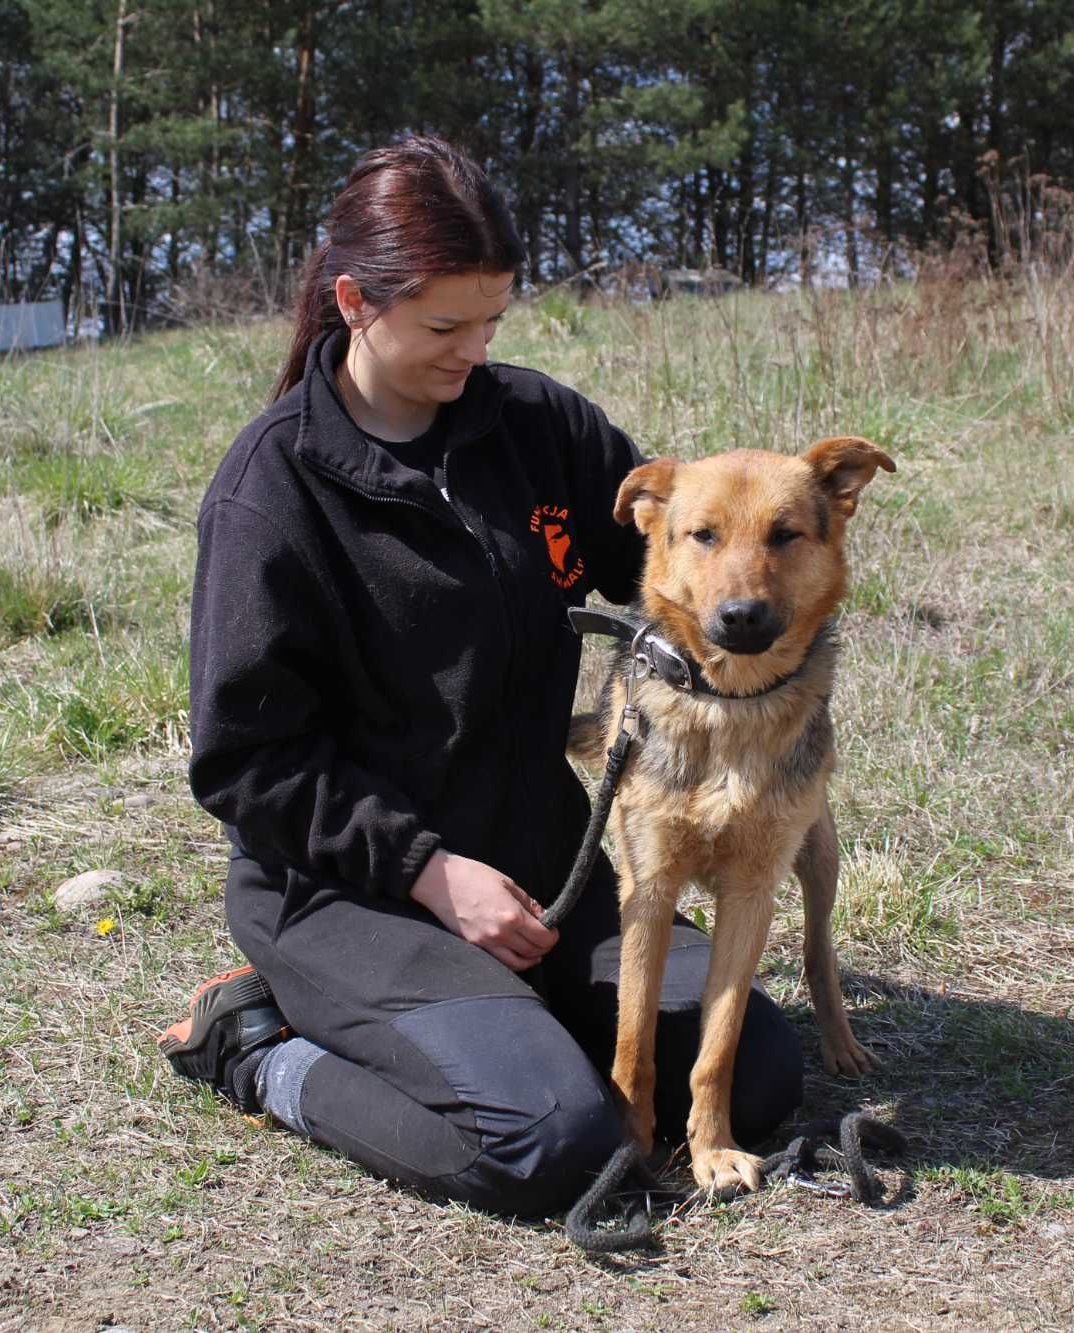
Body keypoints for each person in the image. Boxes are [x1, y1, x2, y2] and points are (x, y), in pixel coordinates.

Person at [158, 135, 803, 1216]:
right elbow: (245, 764)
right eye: (445, 325)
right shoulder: (272, 493)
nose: (475, 349)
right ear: (356, 300)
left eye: (493, 319)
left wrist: (762, 594)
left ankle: (502, 1024)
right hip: (349, 893)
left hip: (538, 870)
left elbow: (668, 563)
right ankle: (258, 1049)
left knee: (764, 1074)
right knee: (554, 1141)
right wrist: (427, 871)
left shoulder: (536, 428)